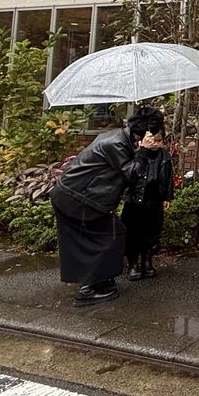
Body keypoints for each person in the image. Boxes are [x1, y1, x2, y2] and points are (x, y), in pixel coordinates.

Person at [51, 107, 165, 307]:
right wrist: (144, 151)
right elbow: (132, 174)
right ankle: (88, 288)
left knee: (108, 234)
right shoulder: (116, 144)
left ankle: (100, 280)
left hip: (78, 197)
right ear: (144, 133)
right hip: (76, 198)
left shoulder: (122, 139)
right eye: (153, 134)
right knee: (110, 235)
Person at [121, 120, 174, 280]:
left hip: (154, 200)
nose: (156, 144)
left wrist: (167, 197)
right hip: (135, 201)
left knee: (151, 233)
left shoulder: (164, 155)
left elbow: (168, 178)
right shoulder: (135, 152)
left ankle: (147, 262)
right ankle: (133, 265)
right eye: (153, 140)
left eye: (159, 141)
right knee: (132, 233)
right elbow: (128, 176)